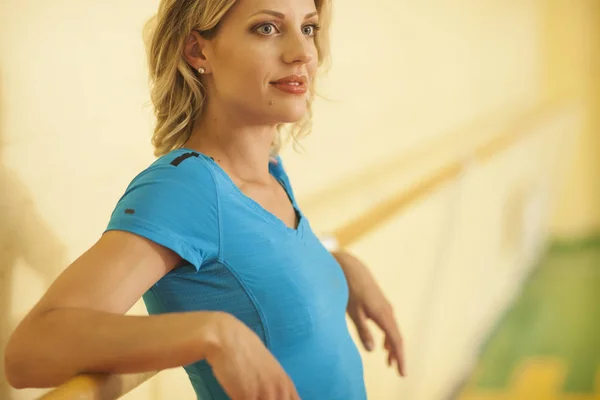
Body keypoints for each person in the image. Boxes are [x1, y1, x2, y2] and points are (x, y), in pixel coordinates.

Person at [4, 0, 405, 398]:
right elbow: (28, 351)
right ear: (198, 51)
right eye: (267, 28)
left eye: (309, 28)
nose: (301, 53)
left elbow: (255, 261)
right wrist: (210, 331)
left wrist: (338, 265)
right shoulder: (185, 188)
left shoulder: (269, 172)